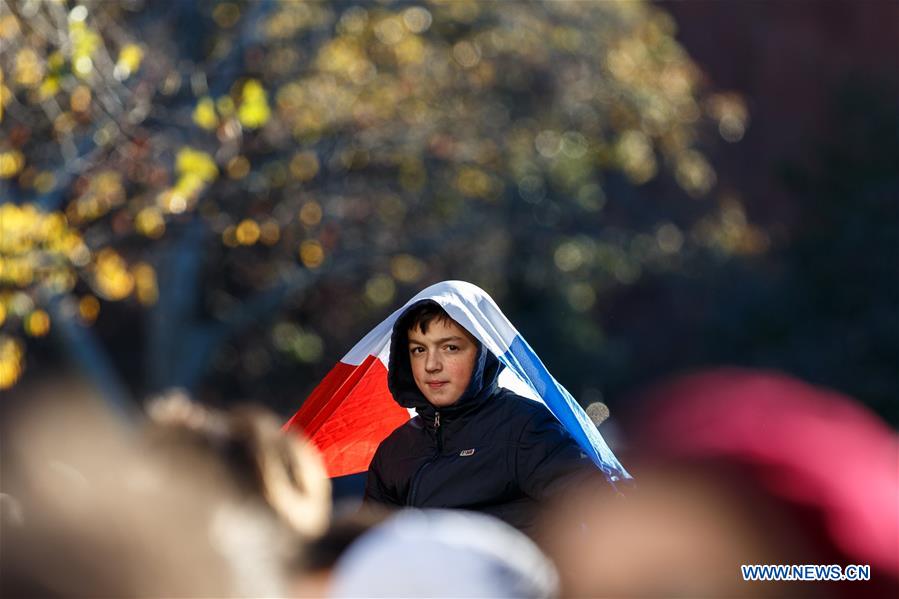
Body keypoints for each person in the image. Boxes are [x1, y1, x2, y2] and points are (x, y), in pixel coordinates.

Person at [363, 298, 617, 533]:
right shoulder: (393, 452)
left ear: (482, 353)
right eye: (418, 350)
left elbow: (606, 515)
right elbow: (369, 555)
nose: (431, 365)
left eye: (450, 347)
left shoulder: (525, 428)